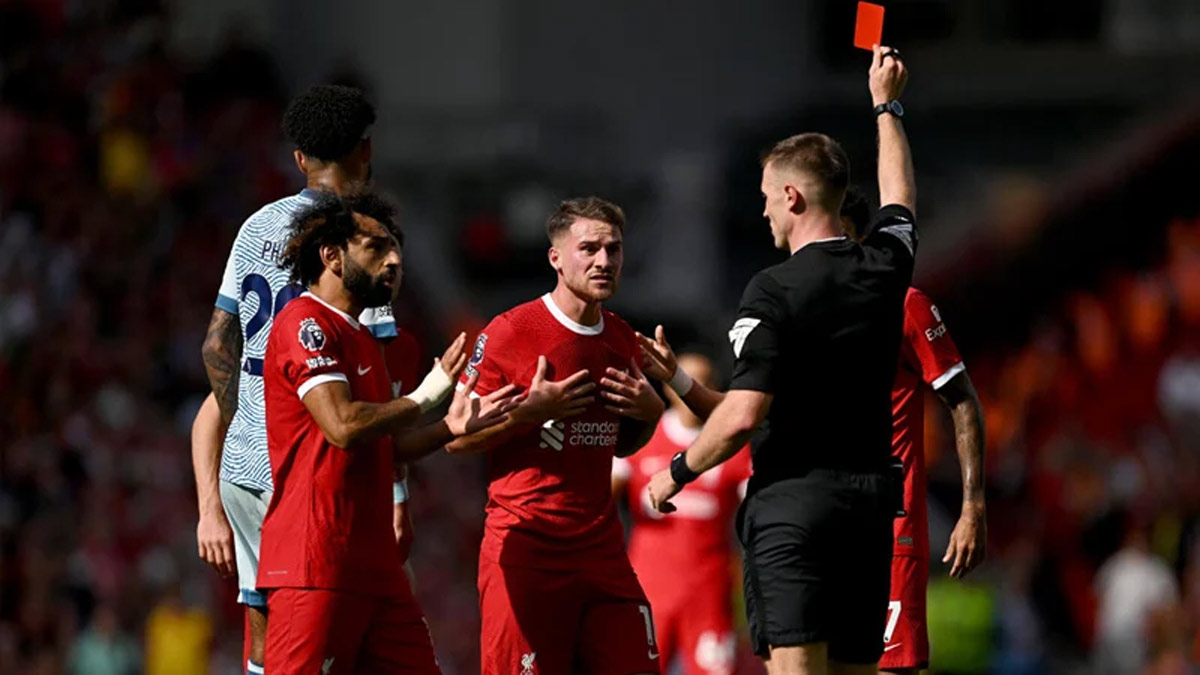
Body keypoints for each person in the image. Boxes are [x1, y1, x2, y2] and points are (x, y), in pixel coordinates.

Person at [645, 45, 913, 675]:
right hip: (869, 508)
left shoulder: (771, 290)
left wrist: (676, 472)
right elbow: (900, 198)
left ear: (791, 196)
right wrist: (887, 106)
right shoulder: (885, 267)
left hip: (795, 508)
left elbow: (745, 414)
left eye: (767, 195)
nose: (762, 208)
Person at [258, 191, 517, 672]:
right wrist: (425, 397)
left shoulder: (360, 337)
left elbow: (386, 446)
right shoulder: (304, 322)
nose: (394, 260)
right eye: (376, 247)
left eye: (396, 248)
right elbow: (342, 426)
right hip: (315, 560)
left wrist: (448, 427)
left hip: (376, 566)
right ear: (332, 256)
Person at [194, 84, 405, 674]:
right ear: (366, 150)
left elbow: (217, 343)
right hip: (313, 470)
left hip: (245, 465)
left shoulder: (256, 226)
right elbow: (375, 373)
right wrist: (397, 492)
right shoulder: (363, 238)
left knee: (265, 626)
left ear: (299, 159)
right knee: (331, 628)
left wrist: (250, 425)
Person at [445, 196, 666, 675]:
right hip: (528, 549)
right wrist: (529, 413)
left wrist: (651, 415)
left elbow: (617, 443)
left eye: (613, 249)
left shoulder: (621, 339)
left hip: (602, 552)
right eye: (589, 249)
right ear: (556, 258)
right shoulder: (510, 332)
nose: (604, 261)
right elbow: (457, 439)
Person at [838, 187, 988, 674]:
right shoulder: (795, 308)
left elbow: (962, 400)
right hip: (820, 520)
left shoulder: (905, 305)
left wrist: (972, 506)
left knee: (892, 668)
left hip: (890, 524)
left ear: (854, 237)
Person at [611, 351, 752, 675]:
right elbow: (600, 497)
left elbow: (759, 508)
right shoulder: (643, 437)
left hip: (709, 589)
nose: (695, 388)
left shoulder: (732, 444)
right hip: (647, 587)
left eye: (705, 381)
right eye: (688, 380)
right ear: (669, 387)